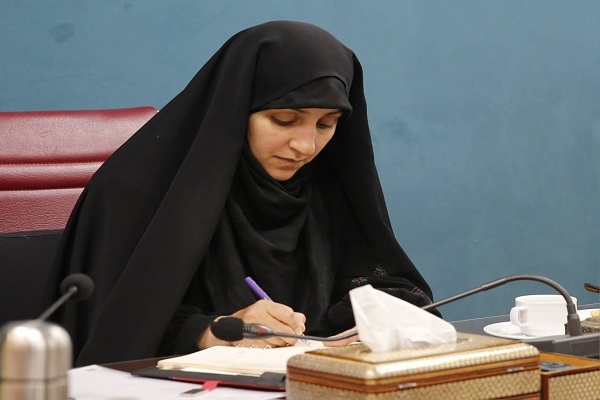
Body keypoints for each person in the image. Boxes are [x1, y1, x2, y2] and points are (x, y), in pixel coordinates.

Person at [45, 20, 439, 366]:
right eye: (284, 120)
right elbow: (111, 329)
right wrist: (215, 330)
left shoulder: (329, 188)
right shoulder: (137, 193)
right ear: (235, 108)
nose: (305, 146)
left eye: (326, 124)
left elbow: (381, 282)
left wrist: (371, 318)